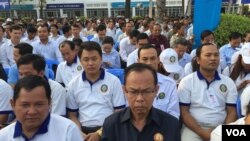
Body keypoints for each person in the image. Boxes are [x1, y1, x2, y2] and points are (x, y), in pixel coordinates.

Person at [101, 63, 181, 141]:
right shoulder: (111, 124)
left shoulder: (171, 125)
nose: (139, 99)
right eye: (133, 92)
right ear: (125, 91)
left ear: (156, 90)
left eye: (146, 91)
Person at [66, 41, 126, 140]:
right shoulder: (73, 84)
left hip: (108, 129)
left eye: (94, 59)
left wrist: (99, 133)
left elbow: (119, 112)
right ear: (80, 61)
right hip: (82, 130)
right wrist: (79, 133)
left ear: (101, 59)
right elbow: (72, 115)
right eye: (86, 59)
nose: (90, 63)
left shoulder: (114, 81)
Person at [178, 43, 238, 141]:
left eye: (216, 55)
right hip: (194, 128)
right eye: (208, 55)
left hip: (221, 127)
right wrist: (203, 133)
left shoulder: (228, 82)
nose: (213, 58)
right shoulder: (187, 81)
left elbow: (232, 112)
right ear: (198, 60)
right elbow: (184, 112)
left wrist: (224, 133)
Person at [0, 75, 83, 141]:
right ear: (13, 104)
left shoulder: (68, 131)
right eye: (25, 105)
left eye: (39, 104)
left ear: (49, 103)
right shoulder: (3, 136)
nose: (32, 112)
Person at [137, 44, 180, 119]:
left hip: (163, 128)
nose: (149, 63)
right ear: (138, 61)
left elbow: (174, 114)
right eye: (145, 59)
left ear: (158, 60)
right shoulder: (131, 84)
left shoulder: (169, 84)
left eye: (153, 58)